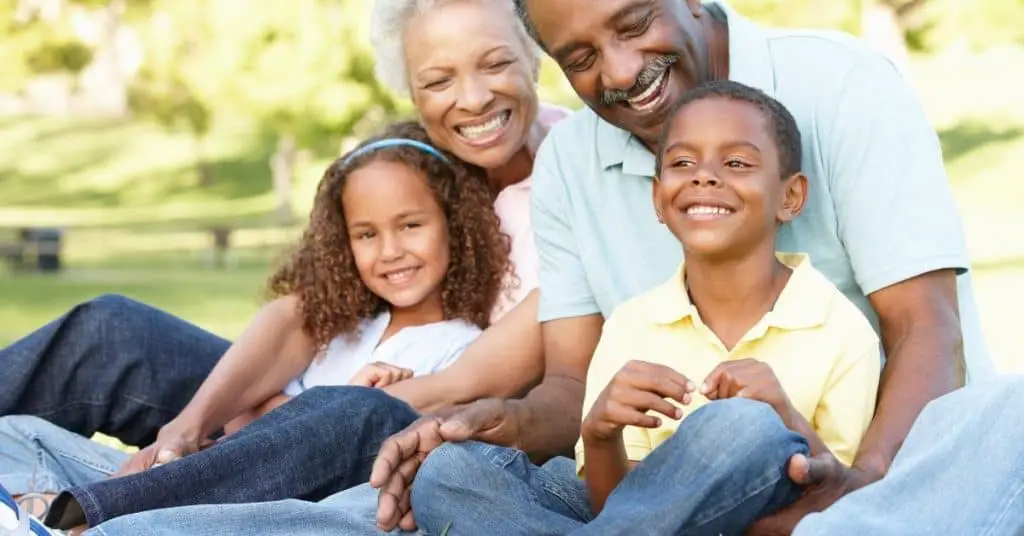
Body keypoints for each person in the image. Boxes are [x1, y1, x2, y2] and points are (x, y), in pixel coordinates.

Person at [371, 1, 1016, 534]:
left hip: (848, 475)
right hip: (640, 492)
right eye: (582, 59)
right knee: (447, 479)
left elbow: (926, 329)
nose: (622, 72)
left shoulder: (844, 85)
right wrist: (506, 424)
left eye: (633, 23)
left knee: (747, 433)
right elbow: (573, 392)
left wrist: (859, 487)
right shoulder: (569, 160)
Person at [0, 0, 564, 483]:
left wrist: (293, 415)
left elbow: (479, 379)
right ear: (411, 92)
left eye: (495, 64)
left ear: (535, 55)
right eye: (437, 81)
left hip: (403, 425)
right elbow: (308, 310)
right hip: (326, 390)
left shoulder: (573, 176)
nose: (471, 99)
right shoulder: (421, 160)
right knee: (111, 332)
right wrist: (192, 425)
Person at [413, 80, 884, 534]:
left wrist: (783, 418)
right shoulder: (632, 324)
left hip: (766, 521)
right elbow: (616, 508)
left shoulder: (840, 331)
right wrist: (599, 434)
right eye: (682, 162)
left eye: (737, 162)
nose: (705, 175)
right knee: (450, 471)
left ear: (791, 195)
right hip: (638, 522)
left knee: (744, 425)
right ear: (658, 198)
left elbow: (845, 502)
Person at [0, 120, 515, 532]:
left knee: (356, 408)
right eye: (366, 235)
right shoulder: (340, 329)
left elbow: (333, 447)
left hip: (244, 508)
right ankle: (40, 507)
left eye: (411, 225)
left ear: (457, 227)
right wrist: (276, 411)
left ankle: (69, 517)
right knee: (16, 432)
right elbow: (244, 426)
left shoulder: (458, 347)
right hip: (191, 477)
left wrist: (304, 408)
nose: (391, 251)